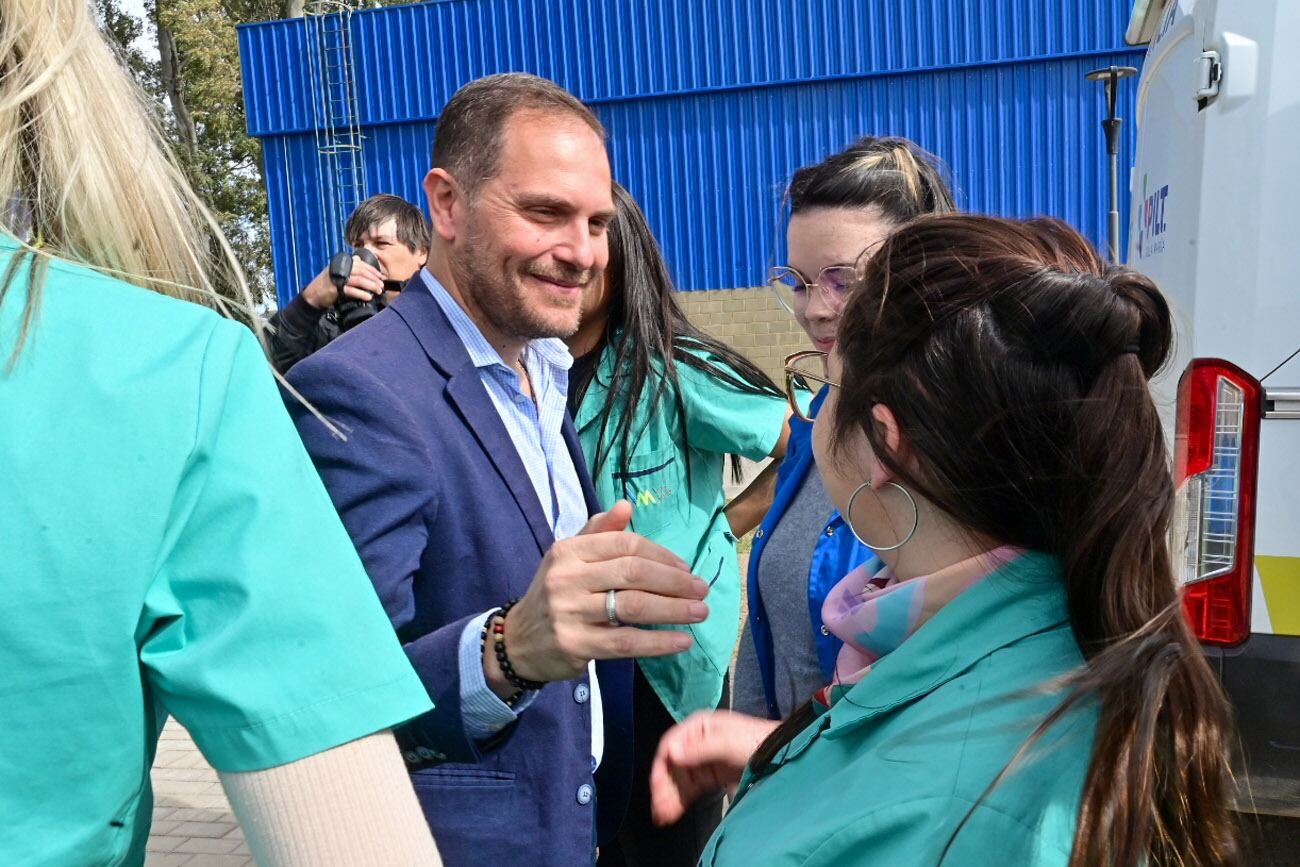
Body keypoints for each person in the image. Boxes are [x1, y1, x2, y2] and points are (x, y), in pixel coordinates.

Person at [650, 215, 1239, 866]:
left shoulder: (954, 806)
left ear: (885, 442)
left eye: (824, 385)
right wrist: (795, 756)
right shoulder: (1055, 636)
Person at [0, 2, 442, 863]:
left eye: (385, 251)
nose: (369, 263)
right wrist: (312, 305)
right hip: (288, 585)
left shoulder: (157, 368)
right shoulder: (167, 368)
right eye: (363, 246)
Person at [284, 73, 710, 867]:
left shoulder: (545, 369)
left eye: (596, 222)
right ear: (445, 204)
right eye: (546, 212)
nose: (581, 251)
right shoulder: (359, 389)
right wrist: (505, 652)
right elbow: (329, 699)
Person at [566, 182, 791, 866]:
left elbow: (806, 440)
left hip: (665, 666)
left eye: (592, 236)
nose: (570, 257)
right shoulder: (529, 373)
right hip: (572, 656)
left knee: (665, 844)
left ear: (623, 251)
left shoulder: (674, 367)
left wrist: (732, 517)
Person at [732, 136, 956, 722]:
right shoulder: (821, 417)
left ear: (923, 273)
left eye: (843, 279)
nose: (816, 309)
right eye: (800, 282)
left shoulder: (954, 448)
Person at [267, 193, 430, 373]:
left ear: (421, 253)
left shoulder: (440, 315)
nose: (364, 256)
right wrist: (310, 301)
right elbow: (259, 374)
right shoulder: (331, 322)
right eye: (358, 246)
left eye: (381, 243)